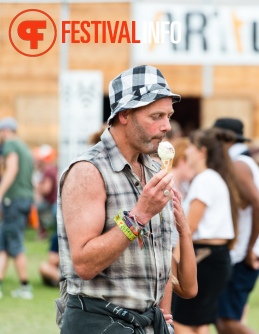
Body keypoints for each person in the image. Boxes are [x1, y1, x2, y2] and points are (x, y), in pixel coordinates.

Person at [57, 65, 197, 333]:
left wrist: (164, 314)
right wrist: (140, 215)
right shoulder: (89, 170)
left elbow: (163, 259)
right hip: (99, 322)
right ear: (124, 115)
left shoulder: (156, 171)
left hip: (147, 324)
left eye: (168, 115)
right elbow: (84, 264)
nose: (166, 126)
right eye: (155, 116)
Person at [171, 127, 240, 334]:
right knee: (199, 322)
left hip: (205, 256)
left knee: (179, 319)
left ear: (201, 152)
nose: (187, 151)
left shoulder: (205, 180)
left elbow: (189, 227)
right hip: (215, 257)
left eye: (190, 147)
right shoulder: (212, 178)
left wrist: (174, 262)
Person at [212, 118, 259, 334]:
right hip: (241, 251)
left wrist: (250, 247)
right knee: (221, 322)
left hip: (242, 254)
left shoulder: (239, 165)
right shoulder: (245, 162)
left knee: (227, 323)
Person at [0, 117, 35, 300]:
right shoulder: (24, 147)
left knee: (15, 243)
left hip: (13, 200)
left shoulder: (10, 144)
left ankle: (25, 286)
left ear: (5, 131)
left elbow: (11, 170)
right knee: (4, 244)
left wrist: (0, 192)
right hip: (24, 199)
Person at [33, 144, 58, 239]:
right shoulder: (53, 169)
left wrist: (36, 186)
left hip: (52, 203)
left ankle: (42, 232)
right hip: (54, 202)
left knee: (35, 208)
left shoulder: (48, 170)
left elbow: (46, 189)